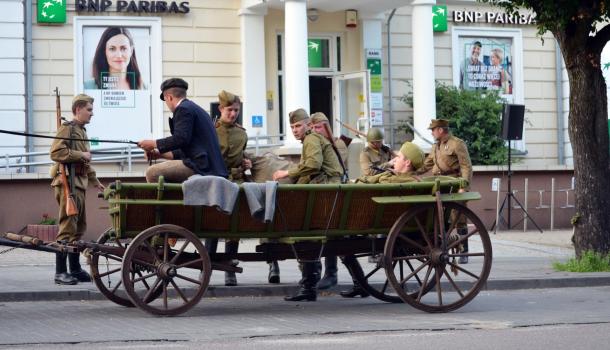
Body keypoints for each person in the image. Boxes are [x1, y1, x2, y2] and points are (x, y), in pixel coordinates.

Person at [273, 108, 343, 302]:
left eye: (298, 126)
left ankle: (308, 287)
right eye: (292, 127)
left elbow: (313, 165)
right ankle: (309, 287)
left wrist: (286, 174)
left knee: (304, 236)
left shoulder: (311, 139)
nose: (295, 130)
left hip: (325, 192)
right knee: (309, 237)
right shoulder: (310, 139)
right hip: (324, 190)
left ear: (308, 125)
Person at [49, 94, 105, 285]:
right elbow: (56, 152)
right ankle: (60, 272)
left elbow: (85, 162)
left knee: (79, 227)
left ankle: (74, 268)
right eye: (89, 109)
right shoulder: (68, 129)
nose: (92, 114)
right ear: (78, 109)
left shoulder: (81, 131)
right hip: (67, 184)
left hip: (79, 183)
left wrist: (95, 181)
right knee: (67, 226)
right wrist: (81, 153)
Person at [138, 78, 228, 183]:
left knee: (152, 172)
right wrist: (159, 154)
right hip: (211, 167)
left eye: (165, 100)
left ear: (169, 97)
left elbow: (180, 139)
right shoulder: (195, 109)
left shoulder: (183, 109)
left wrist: (153, 143)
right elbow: (186, 147)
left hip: (202, 167)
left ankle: (173, 199)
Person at [417, 119, 473, 263]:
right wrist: (410, 170)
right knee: (439, 217)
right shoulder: (436, 146)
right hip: (439, 185)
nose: (431, 132)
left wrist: (463, 186)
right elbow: (427, 164)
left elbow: (466, 166)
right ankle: (444, 247)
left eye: (433, 130)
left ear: (440, 130)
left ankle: (463, 251)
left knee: (458, 218)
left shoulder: (457, 143)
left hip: (454, 184)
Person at [213, 90, 252, 286]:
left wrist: (247, 163)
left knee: (234, 221)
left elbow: (244, 156)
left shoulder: (241, 133)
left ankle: (230, 268)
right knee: (210, 220)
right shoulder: (211, 130)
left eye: (236, 110)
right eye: (229, 110)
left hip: (235, 181)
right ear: (221, 109)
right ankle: (208, 263)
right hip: (215, 180)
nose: (233, 113)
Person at [308, 112, 348, 291]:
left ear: (327, 127)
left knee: (333, 236)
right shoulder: (321, 143)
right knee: (328, 236)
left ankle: (332, 273)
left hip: (335, 193)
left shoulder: (337, 145)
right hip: (328, 193)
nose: (316, 131)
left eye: (319, 127)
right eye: (313, 127)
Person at [356, 141, 425, 183]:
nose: (395, 159)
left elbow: (363, 181)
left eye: (398, 157)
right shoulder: (418, 180)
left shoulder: (386, 179)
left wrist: (388, 172)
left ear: (407, 162)